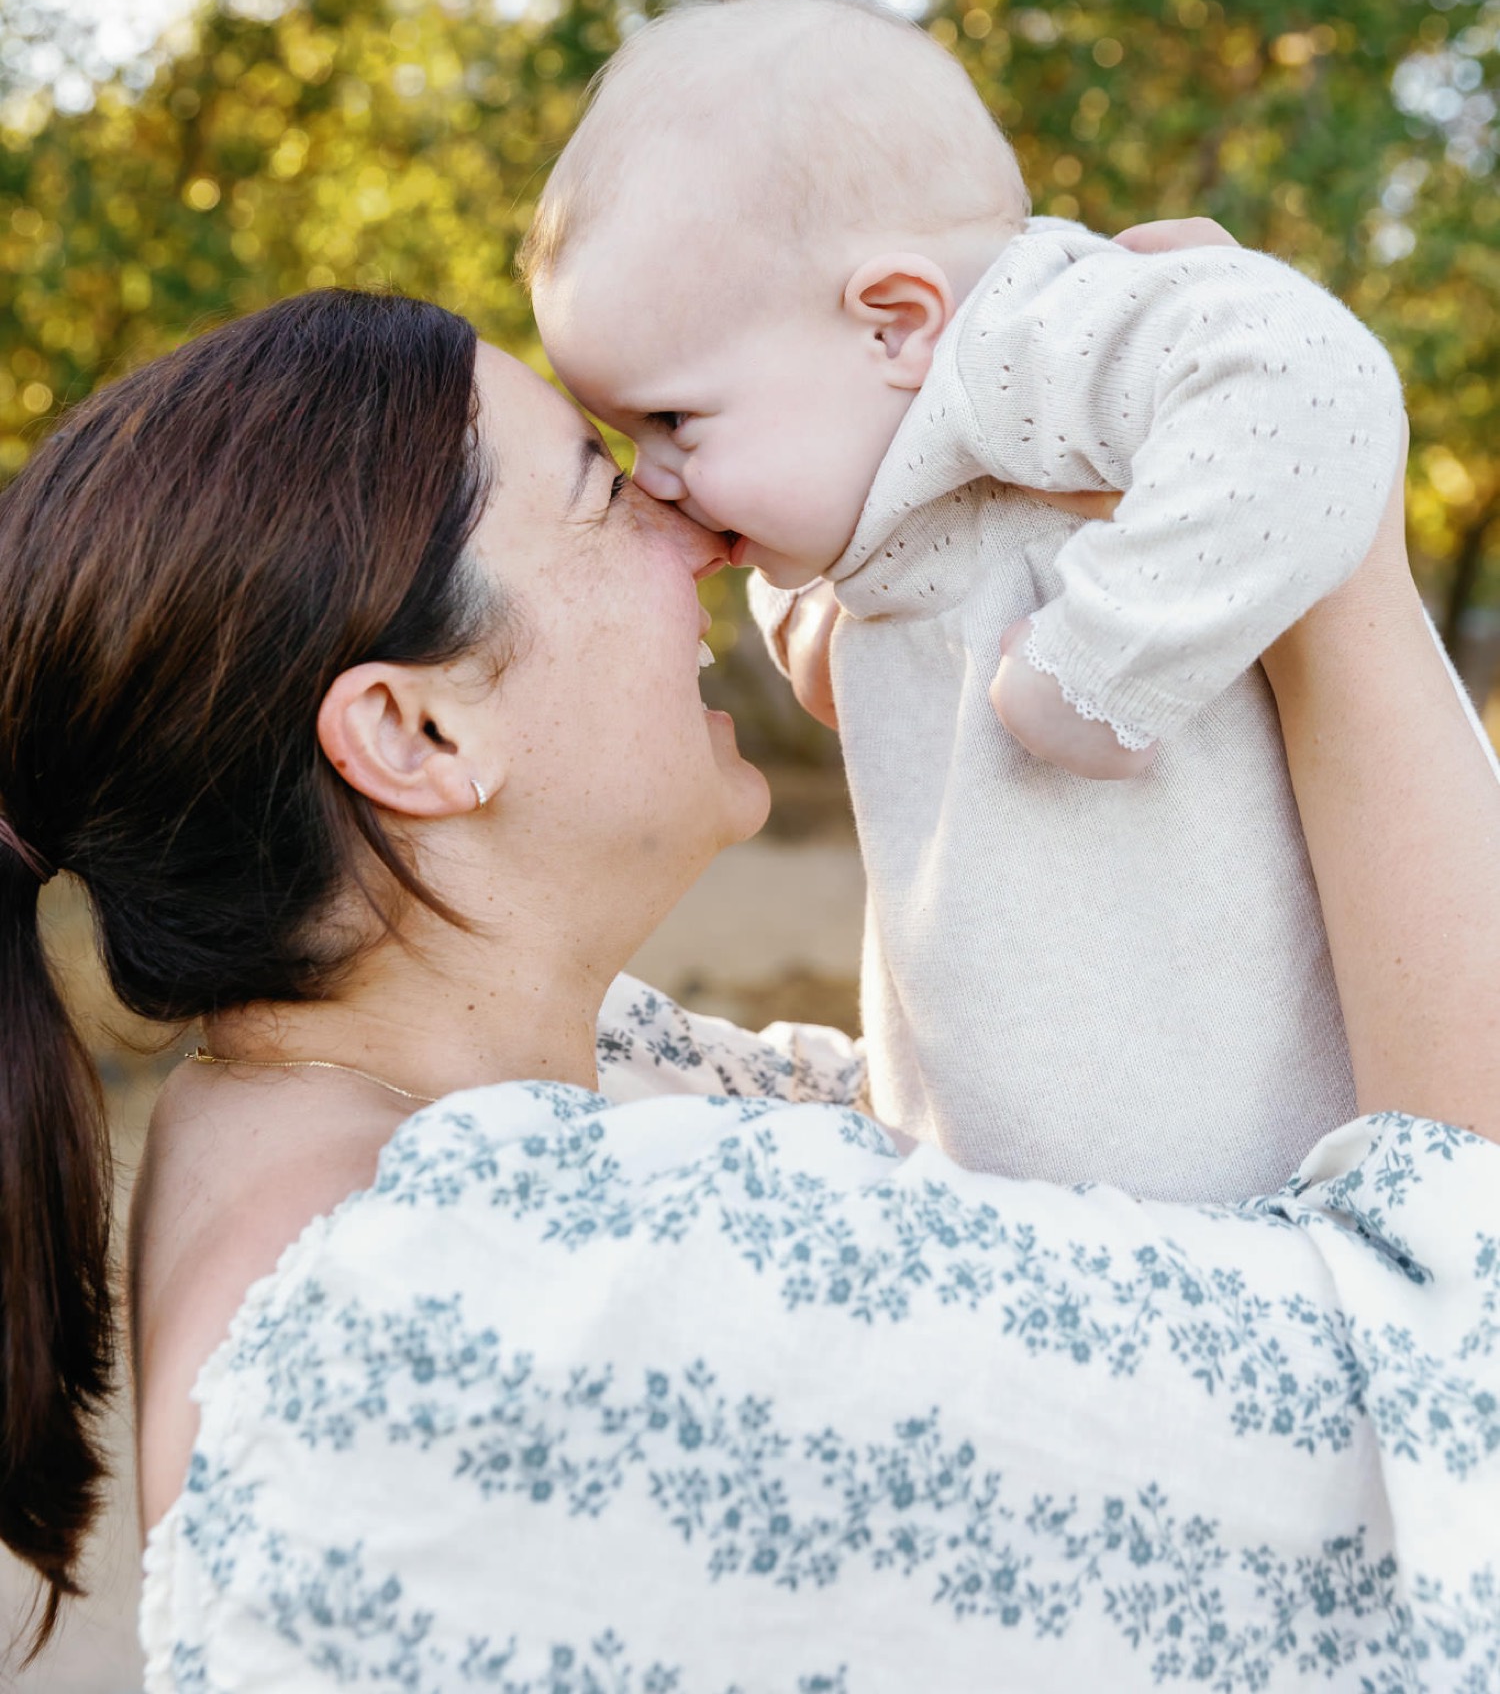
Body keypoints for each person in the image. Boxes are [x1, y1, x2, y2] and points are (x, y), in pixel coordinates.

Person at [0, 281, 1495, 1690]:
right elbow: (1444, 1379)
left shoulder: (446, 1111)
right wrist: (1327, 524)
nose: (703, 534)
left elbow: (1074, 1147)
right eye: (606, 487)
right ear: (419, 735)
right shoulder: (504, 1285)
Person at [525, 0, 1406, 1201]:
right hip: (1044, 1172)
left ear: (895, 323)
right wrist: (815, 615)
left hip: (1253, 1169)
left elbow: (1307, 375)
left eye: (671, 420)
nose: (656, 477)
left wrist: (1106, 665)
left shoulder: (1019, 341)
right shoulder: (885, 471)